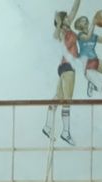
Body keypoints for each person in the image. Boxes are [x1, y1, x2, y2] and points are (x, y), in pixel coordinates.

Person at [43, 1, 81, 144]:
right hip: (68, 67)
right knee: (67, 100)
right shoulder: (61, 32)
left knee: (58, 97)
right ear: (62, 21)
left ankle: (47, 126)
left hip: (63, 67)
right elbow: (55, 36)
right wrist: (58, 23)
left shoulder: (67, 28)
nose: (68, 19)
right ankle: (65, 132)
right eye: (65, 18)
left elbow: (74, 9)